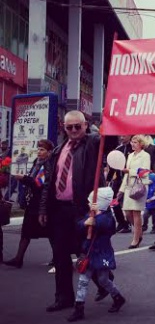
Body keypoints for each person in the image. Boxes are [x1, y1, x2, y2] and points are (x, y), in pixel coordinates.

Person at [40, 110, 108, 312]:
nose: (74, 130)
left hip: (82, 208)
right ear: (64, 128)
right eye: (70, 127)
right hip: (59, 209)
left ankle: (105, 282)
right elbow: (49, 183)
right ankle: (63, 298)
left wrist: (109, 121)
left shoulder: (92, 143)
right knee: (60, 254)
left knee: (85, 250)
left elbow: (108, 142)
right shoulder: (58, 150)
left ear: (85, 125)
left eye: (78, 126)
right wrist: (43, 208)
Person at [67, 187, 126, 322]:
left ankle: (118, 297)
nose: (89, 203)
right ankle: (79, 308)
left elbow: (109, 227)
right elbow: (79, 226)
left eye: (91, 201)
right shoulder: (90, 214)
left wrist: (96, 218)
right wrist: (85, 223)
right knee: (83, 280)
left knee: (103, 280)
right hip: (89, 252)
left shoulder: (107, 218)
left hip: (101, 253)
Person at [3, 139, 54, 268]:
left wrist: (23, 179)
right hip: (33, 202)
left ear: (49, 152)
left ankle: (57, 257)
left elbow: (39, 183)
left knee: (50, 232)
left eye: (42, 150)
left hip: (41, 204)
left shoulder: (48, 165)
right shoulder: (38, 162)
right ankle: (18, 258)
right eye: (38, 149)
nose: (39, 152)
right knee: (27, 231)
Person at [118, 135, 151, 249]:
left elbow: (145, 172)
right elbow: (126, 175)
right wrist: (121, 190)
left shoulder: (145, 155)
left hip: (139, 187)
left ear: (141, 144)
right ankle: (139, 231)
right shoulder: (130, 155)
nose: (132, 144)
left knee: (136, 212)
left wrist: (130, 171)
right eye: (132, 142)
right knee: (127, 213)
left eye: (135, 142)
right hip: (129, 187)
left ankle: (136, 239)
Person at [106, 135, 132, 234]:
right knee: (114, 201)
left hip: (129, 179)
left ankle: (129, 223)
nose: (122, 137)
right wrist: (108, 179)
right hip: (118, 180)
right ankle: (121, 222)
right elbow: (113, 166)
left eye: (124, 136)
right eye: (121, 136)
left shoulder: (133, 148)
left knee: (128, 203)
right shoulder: (118, 149)